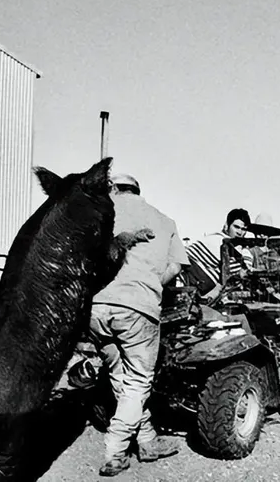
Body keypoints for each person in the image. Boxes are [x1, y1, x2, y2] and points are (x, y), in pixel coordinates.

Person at [88, 173, 189, 477]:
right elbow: (176, 265)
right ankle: (116, 452)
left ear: (113, 189)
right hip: (137, 309)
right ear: (138, 191)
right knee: (137, 382)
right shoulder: (164, 220)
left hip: (94, 309)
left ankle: (146, 440)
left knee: (120, 377)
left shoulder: (99, 212)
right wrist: (150, 284)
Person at [184, 208, 253, 298]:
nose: (239, 232)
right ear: (227, 225)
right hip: (186, 276)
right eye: (236, 227)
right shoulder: (216, 240)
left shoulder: (244, 251)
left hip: (204, 290)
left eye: (243, 229)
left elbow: (240, 273)